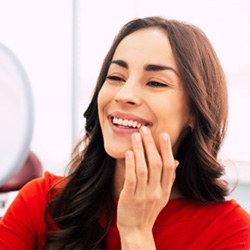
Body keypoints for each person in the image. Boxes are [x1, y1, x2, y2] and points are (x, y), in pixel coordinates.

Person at [0, 16, 249, 250]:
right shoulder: (41, 202)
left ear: (195, 112)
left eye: (155, 83)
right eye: (116, 77)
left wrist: (136, 233)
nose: (124, 95)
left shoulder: (232, 233)